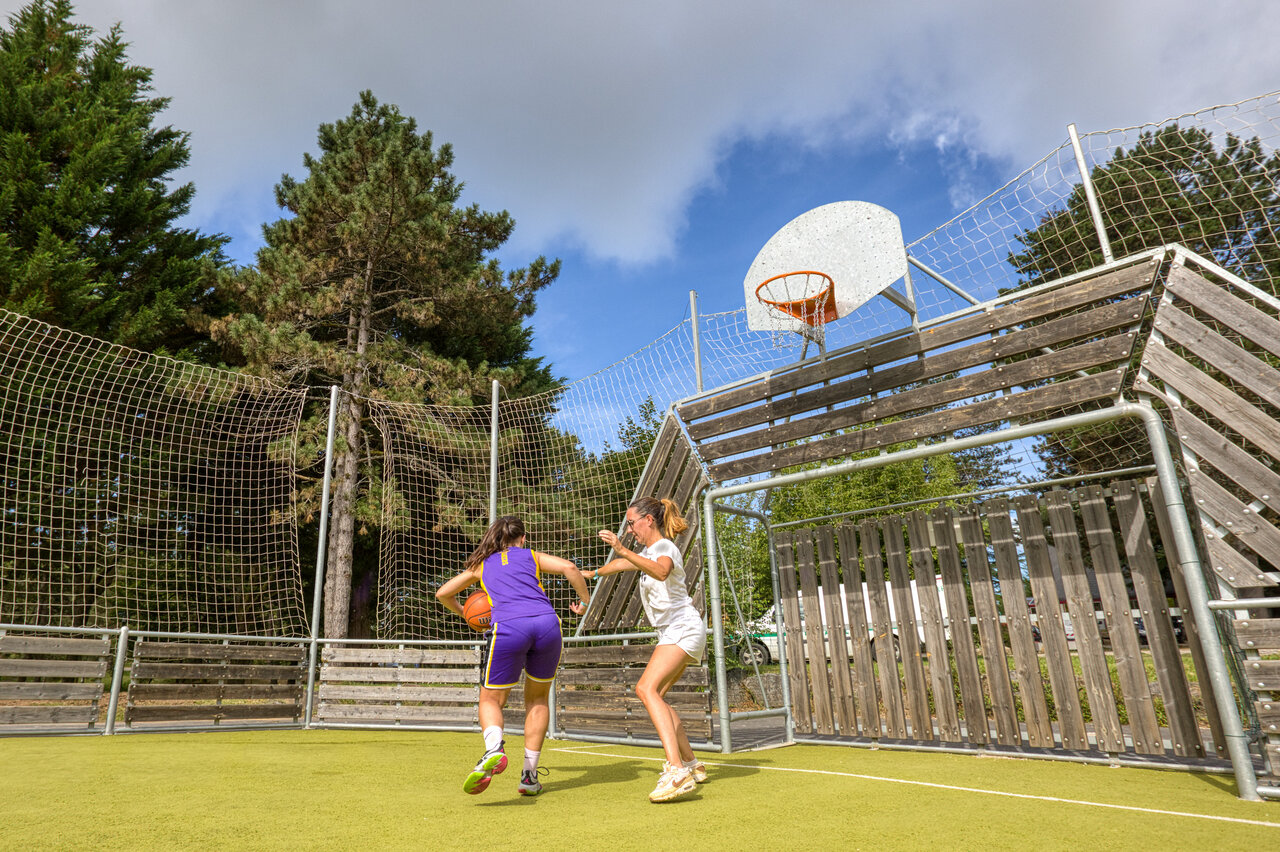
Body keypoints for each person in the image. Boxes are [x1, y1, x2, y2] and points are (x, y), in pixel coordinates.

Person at [436, 515, 590, 797]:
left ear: (494, 539)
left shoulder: (481, 566)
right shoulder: (531, 556)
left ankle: (494, 748)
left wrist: (468, 616)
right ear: (522, 539)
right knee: (538, 698)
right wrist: (584, 602)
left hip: (508, 627)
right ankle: (528, 777)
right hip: (547, 625)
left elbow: (443, 593)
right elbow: (569, 567)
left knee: (490, 698)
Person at [586, 496, 707, 803]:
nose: (629, 529)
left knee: (645, 689)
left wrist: (622, 548)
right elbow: (619, 564)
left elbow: (662, 571)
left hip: (682, 629)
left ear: (648, 520)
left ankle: (676, 771)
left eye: (631, 522)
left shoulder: (664, 547)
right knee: (657, 697)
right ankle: (692, 764)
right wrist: (587, 576)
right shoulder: (648, 552)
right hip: (679, 631)